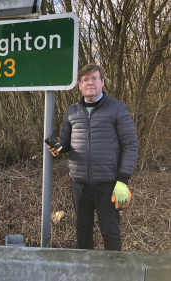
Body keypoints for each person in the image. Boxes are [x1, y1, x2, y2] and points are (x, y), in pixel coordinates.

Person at [48, 64, 138, 251]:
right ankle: (86, 272)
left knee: (110, 230)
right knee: (82, 229)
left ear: (102, 82)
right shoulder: (72, 111)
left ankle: (113, 273)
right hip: (79, 182)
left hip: (108, 182)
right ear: (79, 85)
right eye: (85, 80)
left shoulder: (117, 108)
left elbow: (130, 145)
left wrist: (123, 180)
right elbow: (65, 143)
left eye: (94, 79)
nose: (90, 83)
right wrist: (57, 147)